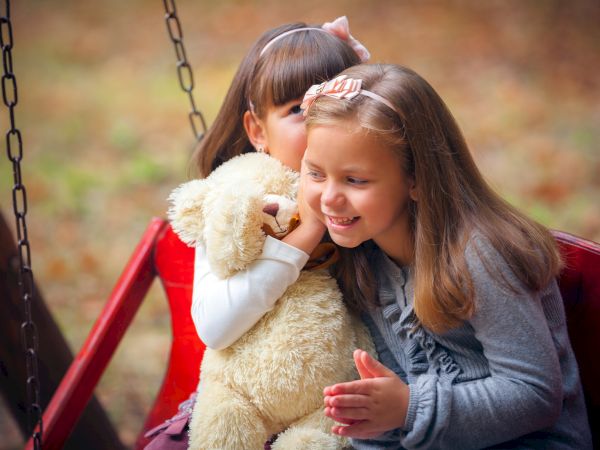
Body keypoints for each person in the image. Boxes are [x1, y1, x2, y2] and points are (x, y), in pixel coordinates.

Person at [299, 64, 592, 449]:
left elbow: (534, 393)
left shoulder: (477, 254)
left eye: (355, 180)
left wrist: (408, 409)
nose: (330, 197)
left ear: (417, 178)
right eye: (316, 173)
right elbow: (388, 403)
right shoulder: (359, 255)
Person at [143, 17, 367, 450]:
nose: (319, 121)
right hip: (238, 413)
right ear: (258, 131)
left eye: (333, 103)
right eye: (298, 110)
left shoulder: (367, 202)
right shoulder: (239, 202)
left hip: (330, 421)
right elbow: (215, 327)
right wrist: (304, 236)